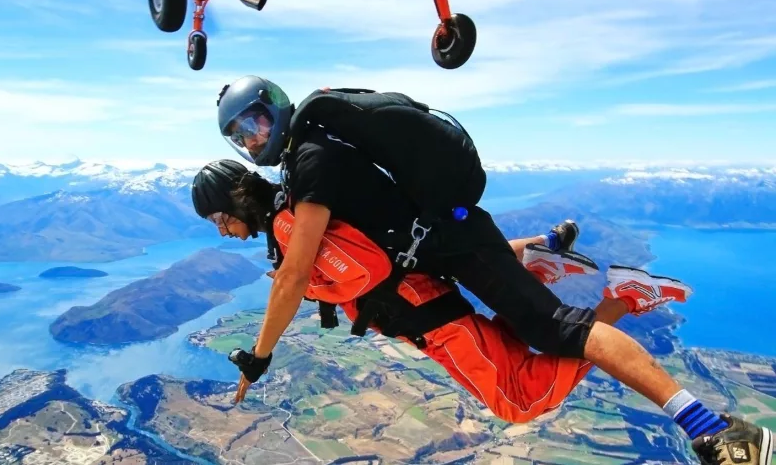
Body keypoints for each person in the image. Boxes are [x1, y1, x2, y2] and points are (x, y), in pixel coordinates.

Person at [212, 76, 774, 465]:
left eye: (256, 122)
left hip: (452, 241)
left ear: (277, 105)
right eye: (241, 135)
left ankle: (711, 429)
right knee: (505, 288)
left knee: (558, 332)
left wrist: (260, 355)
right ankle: (544, 250)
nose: (253, 138)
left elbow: (295, 272)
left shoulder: (312, 158)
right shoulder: (309, 156)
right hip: (437, 245)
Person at [192, 159, 686, 425]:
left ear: (235, 201)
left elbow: (360, 273)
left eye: (218, 218)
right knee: (518, 339)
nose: (221, 230)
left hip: (433, 323)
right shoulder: (298, 210)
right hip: (429, 303)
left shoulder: (288, 225)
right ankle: (537, 257)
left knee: (522, 400)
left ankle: (624, 298)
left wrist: (260, 355)